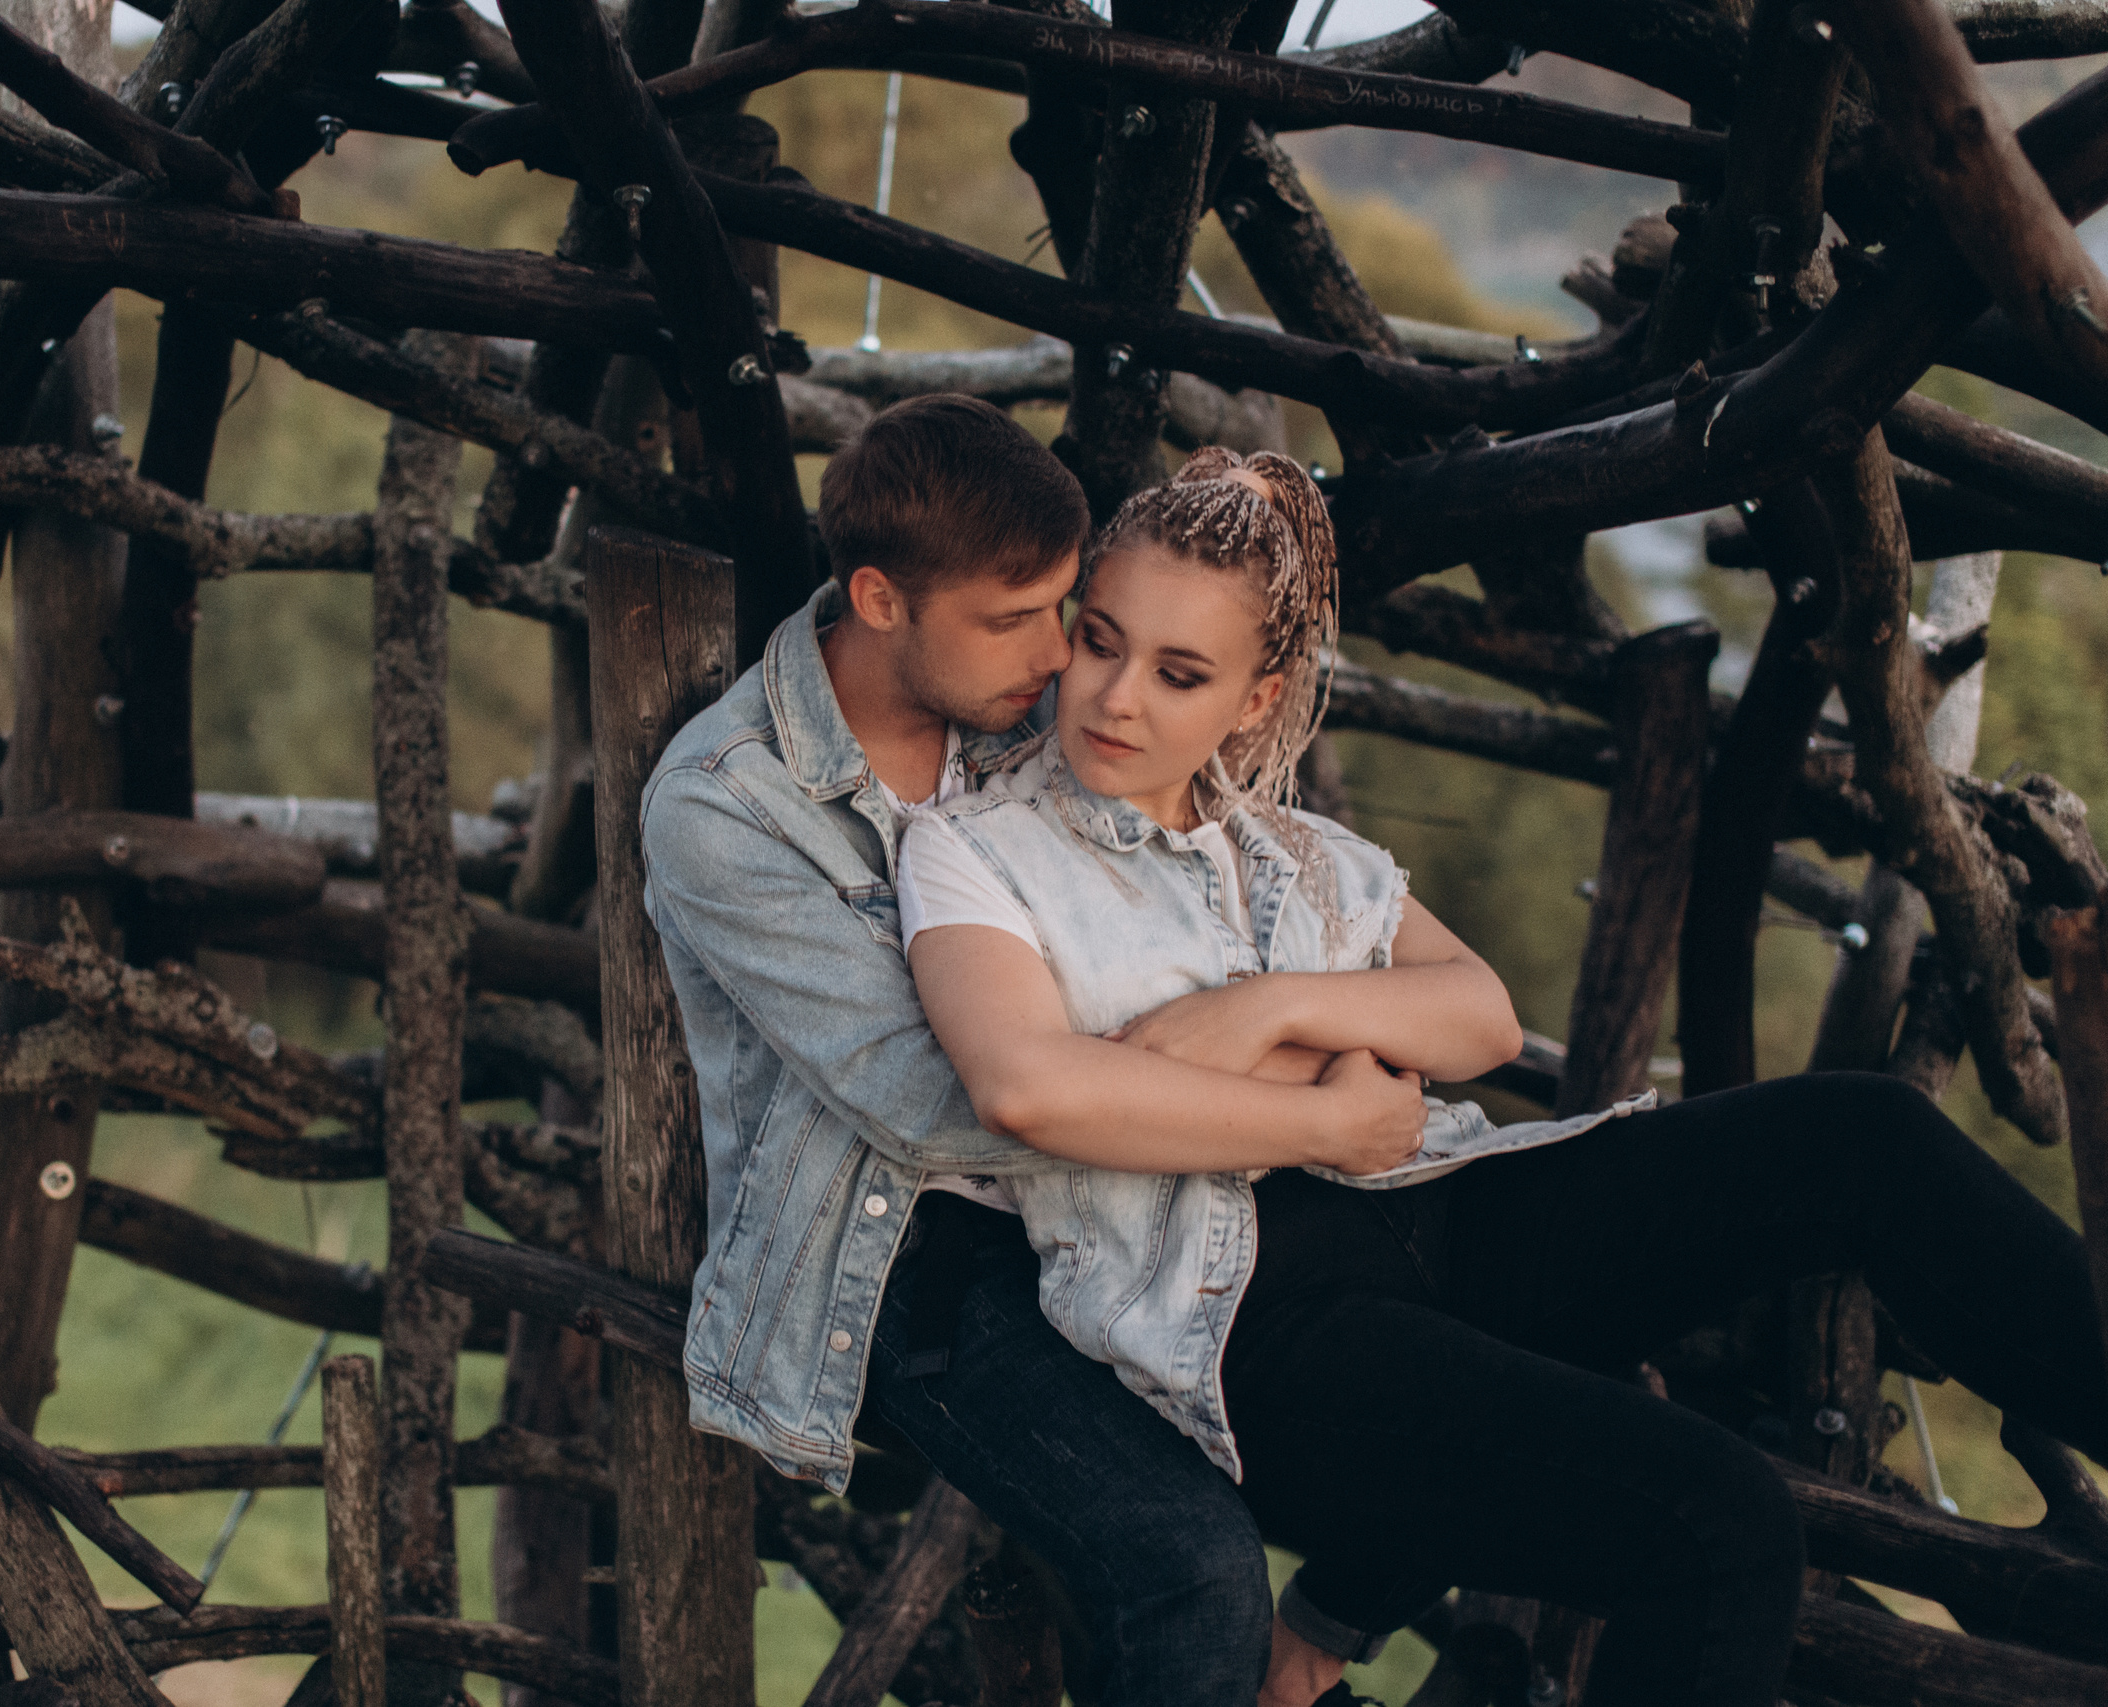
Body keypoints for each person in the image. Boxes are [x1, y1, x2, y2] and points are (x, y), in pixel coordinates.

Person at [896, 447, 2108, 1706]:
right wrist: (1332, 1116)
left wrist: (1263, 1007)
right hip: (1251, 1325)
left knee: (1864, 1139)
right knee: (1718, 1525)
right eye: (1099, 642)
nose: (1114, 696)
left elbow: (1474, 1016)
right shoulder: (978, 850)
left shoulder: (1294, 849)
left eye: (1179, 672)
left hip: (1448, 1217)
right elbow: (1030, 1092)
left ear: (1258, 701)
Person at [640, 396, 1403, 1704]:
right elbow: (943, 1098)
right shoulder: (728, 808)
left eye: (1066, 609)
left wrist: (1259, 1029)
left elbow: (1203, 895)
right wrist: (1308, 1108)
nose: (1064, 658)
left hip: (1124, 1194)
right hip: (905, 1257)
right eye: (1018, 619)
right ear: (880, 598)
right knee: (1195, 1569)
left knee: (1451, 1345)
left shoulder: (1022, 708)